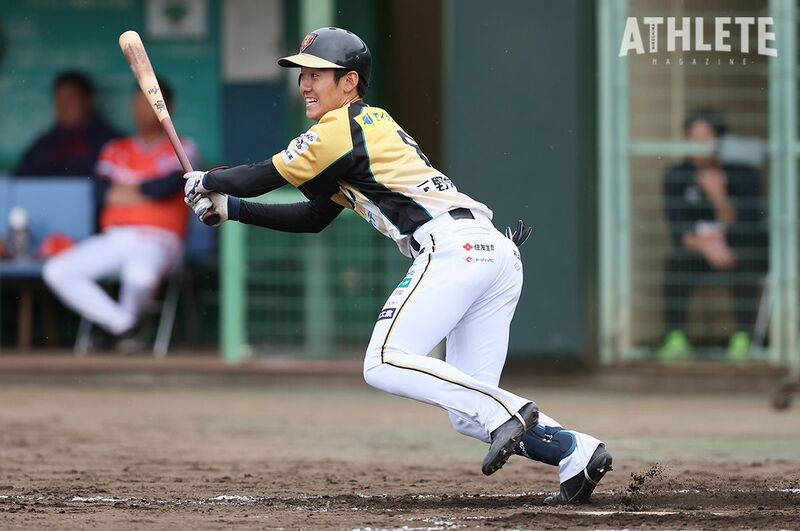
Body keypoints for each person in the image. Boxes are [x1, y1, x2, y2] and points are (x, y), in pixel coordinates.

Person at [184, 28, 612, 505]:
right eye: (303, 74)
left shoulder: (339, 128)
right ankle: (577, 452)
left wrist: (207, 178)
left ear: (349, 82)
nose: (305, 84)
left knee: (384, 362)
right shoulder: (356, 132)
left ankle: (508, 411)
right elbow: (313, 217)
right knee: (469, 411)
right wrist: (231, 208)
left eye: (318, 74)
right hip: (491, 253)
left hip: (453, 249)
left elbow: (262, 175)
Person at [43, 81, 198, 349]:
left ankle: (117, 332)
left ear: (167, 108)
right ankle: (127, 327)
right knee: (57, 271)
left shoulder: (183, 147)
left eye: (148, 103)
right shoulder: (115, 148)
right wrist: (144, 190)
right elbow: (101, 192)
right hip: (114, 237)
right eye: (137, 103)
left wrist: (127, 190)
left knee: (139, 278)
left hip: (158, 238)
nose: (141, 110)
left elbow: (165, 188)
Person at [660, 109, 767, 362]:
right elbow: (677, 231)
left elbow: (746, 225)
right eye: (692, 138)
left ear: (719, 140)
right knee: (674, 260)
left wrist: (717, 193)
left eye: (705, 138)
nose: (698, 145)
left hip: (734, 250)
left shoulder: (742, 175)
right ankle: (675, 338)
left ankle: (742, 338)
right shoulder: (677, 175)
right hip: (699, 252)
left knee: (747, 260)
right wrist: (707, 247)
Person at [15, 71, 120, 177]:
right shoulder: (44, 144)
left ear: (88, 100)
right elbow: (21, 181)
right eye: (59, 100)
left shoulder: (111, 142)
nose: (64, 106)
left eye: (70, 99)